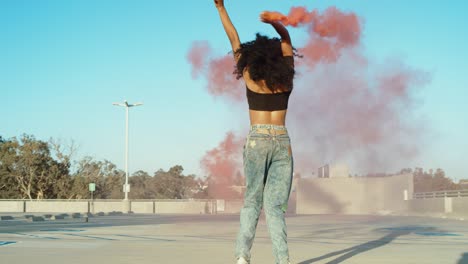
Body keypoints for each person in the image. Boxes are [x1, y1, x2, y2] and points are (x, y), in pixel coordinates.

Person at [214, 1, 297, 264]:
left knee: (252, 201)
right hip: (282, 141)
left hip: (257, 139)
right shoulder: (286, 79)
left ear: (254, 57)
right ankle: (282, 261)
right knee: (275, 209)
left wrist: (220, 8)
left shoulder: (249, 74)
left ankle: (241, 256)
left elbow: (233, 38)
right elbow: (286, 38)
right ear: (276, 59)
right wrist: (275, 22)